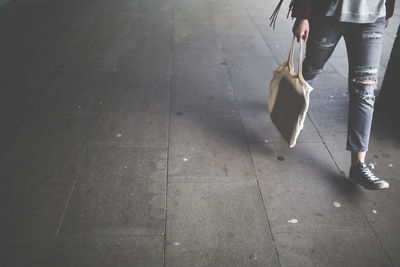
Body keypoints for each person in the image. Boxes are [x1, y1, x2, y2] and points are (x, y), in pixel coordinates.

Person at [291, 0, 395, 189]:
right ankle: (291, 101)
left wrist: (388, 10)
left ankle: (358, 164)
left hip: (373, 15)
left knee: (365, 90)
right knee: (312, 67)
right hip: (330, 12)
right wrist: (302, 15)